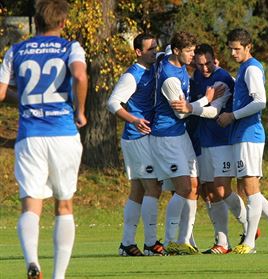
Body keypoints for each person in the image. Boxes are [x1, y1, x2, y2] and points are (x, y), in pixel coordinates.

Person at [0, 0, 87, 278]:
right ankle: (58, 275)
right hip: (63, 132)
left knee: (31, 203)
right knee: (64, 204)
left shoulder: (16, 50)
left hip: (30, 136)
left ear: (36, 22)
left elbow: (1, 93)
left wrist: (23, 100)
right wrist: (81, 110)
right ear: (62, 22)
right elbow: (79, 75)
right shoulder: (70, 47)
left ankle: (32, 261)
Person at [217, 28, 268, 254]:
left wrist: (232, 115)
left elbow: (260, 101)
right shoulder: (243, 69)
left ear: (248, 46)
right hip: (240, 135)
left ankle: (249, 242)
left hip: (250, 134)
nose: (233, 53)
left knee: (251, 188)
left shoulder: (251, 68)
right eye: (230, 48)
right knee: (248, 188)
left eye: (237, 49)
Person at [171, 43, 251, 254]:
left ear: (214, 59)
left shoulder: (222, 79)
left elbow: (214, 112)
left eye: (207, 64)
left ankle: (249, 229)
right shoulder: (197, 76)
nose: (204, 68)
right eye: (199, 65)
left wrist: (190, 108)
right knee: (207, 191)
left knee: (222, 189)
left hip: (222, 141)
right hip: (202, 141)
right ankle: (222, 242)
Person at [151, 31, 219, 255]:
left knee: (194, 186)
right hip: (167, 136)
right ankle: (170, 240)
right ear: (177, 51)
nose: (193, 55)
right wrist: (206, 100)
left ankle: (184, 241)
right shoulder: (170, 77)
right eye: (189, 51)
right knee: (183, 188)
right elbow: (181, 114)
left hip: (180, 135)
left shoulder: (169, 59)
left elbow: (161, 52)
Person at [107, 33, 165, 256]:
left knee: (138, 190)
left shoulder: (155, 66)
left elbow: (171, 51)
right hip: (136, 137)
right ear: (138, 52)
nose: (155, 52)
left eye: (155, 48)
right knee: (153, 188)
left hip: (144, 138)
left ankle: (126, 243)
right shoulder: (132, 75)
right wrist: (134, 120)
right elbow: (113, 102)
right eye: (150, 49)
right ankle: (150, 243)